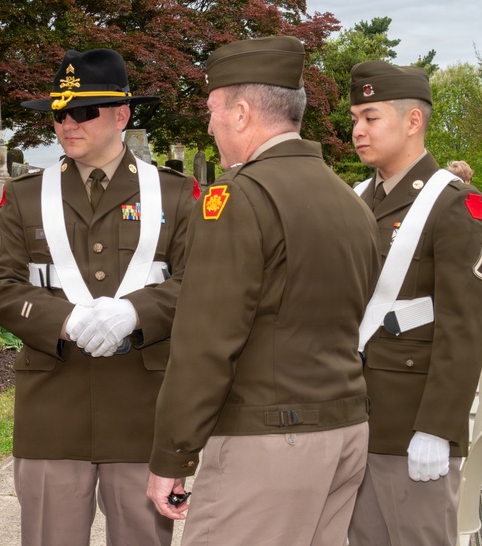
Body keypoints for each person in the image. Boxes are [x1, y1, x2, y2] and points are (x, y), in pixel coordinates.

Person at [145, 36, 381, 546]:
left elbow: (205, 343)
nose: (208, 124)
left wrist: (172, 455)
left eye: (212, 109)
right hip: (343, 428)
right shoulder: (350, 201)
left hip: (269, 441)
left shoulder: (237, 198)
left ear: (242, 113)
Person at [0, 48, 198, 546]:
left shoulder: (176, 194)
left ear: (121, 115)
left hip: (143, 411)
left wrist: (135, 312)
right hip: (54, 409)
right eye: (59, 112)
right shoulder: (26, 195)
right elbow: (0, 284)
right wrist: (64, 321)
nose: (66, 124)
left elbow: (201, 283)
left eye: (82, 111)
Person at [346, 61, 482, 545]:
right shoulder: (355, 200)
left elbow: (464, 325)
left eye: (371, 117)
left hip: (411, 427)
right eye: (354, 119)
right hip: (350, 420)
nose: (358, 131)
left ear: (413, 122)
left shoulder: (454, 204)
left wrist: (437, 427)